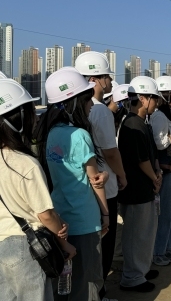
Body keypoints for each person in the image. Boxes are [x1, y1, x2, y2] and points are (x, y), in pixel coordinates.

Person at [0, 79, 76, 301]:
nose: (35, 116)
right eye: (31, 110)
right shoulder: (24, 163)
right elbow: (45, 214)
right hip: (25, 248)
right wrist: (63, 236)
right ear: (19, 117)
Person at [41, 67, 109, 300]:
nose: (91, 104)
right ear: (73, 103)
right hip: (85, 220)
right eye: (87, 99)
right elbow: (95, 181)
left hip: (61, 221)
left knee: (66, 285)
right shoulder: (79, 135)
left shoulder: (50, 134)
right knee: (88, 283)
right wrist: (106, 214)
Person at [75, 51, 127, 300]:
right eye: (106, 76)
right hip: (104, 186)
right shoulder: (102, 111)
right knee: (103, 248)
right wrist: (122, 175)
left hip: (85, 187)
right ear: (95, 79)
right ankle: (100, 293)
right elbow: (111, 152)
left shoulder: (79, 110)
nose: (109, 82)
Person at [117, 76, 162, 293]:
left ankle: (140, 270)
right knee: (135, 234)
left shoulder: (143, 123)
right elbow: (140, 160)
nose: (156, 103)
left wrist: (157, 173)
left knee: (145, 233)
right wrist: (155, 177)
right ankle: (132, 276)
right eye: (154, 99)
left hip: (145, 187)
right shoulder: (132, 123)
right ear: (143, 99)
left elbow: (150, 155)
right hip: (135, 189)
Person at [150, 76, 171, 266]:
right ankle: (158, 251)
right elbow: (159, 141)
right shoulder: (158, 116)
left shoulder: (170, 114)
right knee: (164, 211)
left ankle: (168, 246)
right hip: (166, 167)